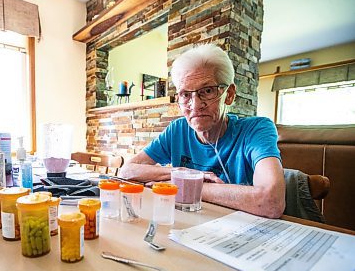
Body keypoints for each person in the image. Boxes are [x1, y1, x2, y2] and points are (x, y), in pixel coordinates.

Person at [119, 44, 285, 218]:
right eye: (185, 94)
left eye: (207, 91)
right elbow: (127, 171)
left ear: (228, 95)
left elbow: (271, 202)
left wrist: (182, 185)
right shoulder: (178, 130)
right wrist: (185, 174)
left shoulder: (256, 130)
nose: (195, 105)